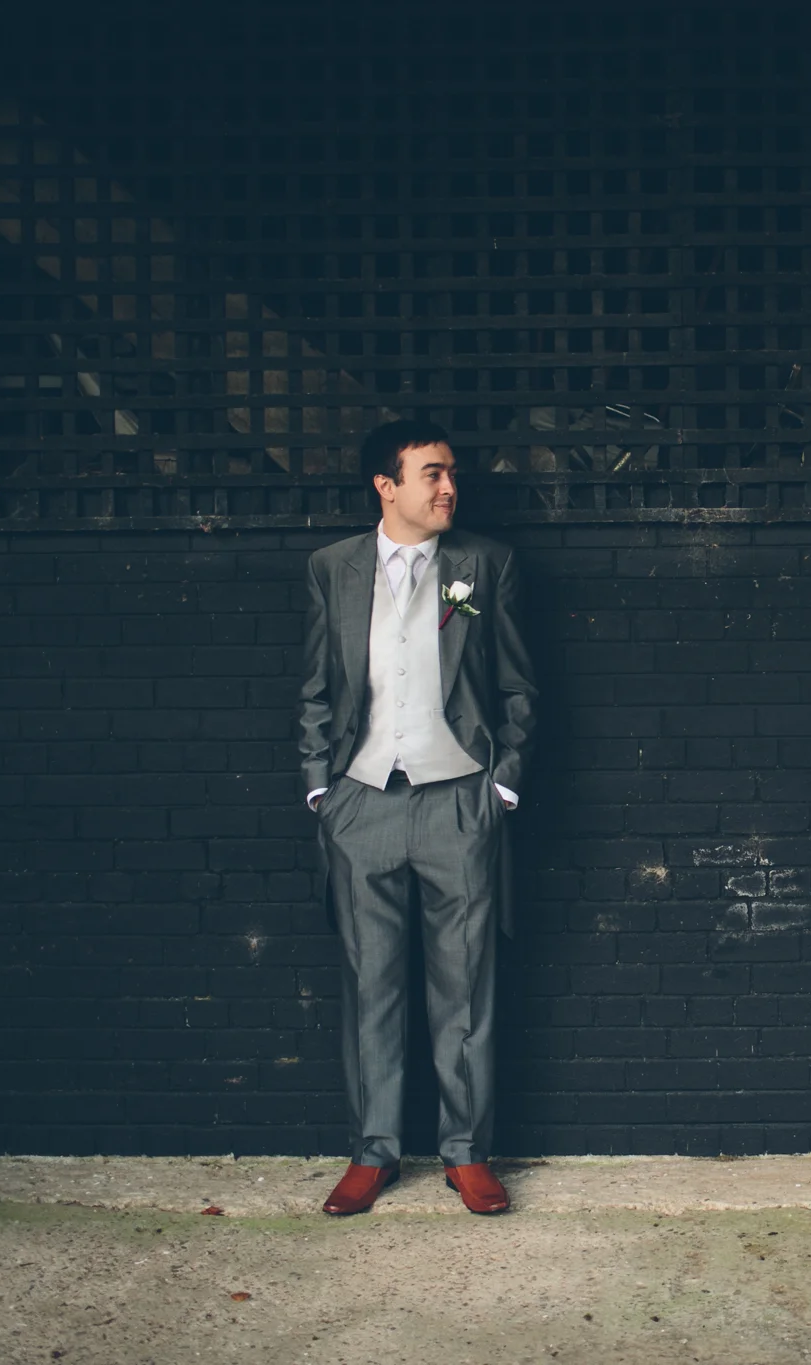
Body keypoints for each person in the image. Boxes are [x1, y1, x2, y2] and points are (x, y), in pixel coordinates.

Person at [297, 419, 538, 1215]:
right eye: (432, 474)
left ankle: (467, 1152)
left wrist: (499, 788)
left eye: (452, 475)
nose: (448, 489)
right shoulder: (332, 568)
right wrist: (320, 791)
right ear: (385, 485)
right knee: (370, 983)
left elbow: (516, 689)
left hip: (457, 801)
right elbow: (317, 689)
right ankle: (374, 1152)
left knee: (464, 985)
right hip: (362, 800)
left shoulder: (483, 565)